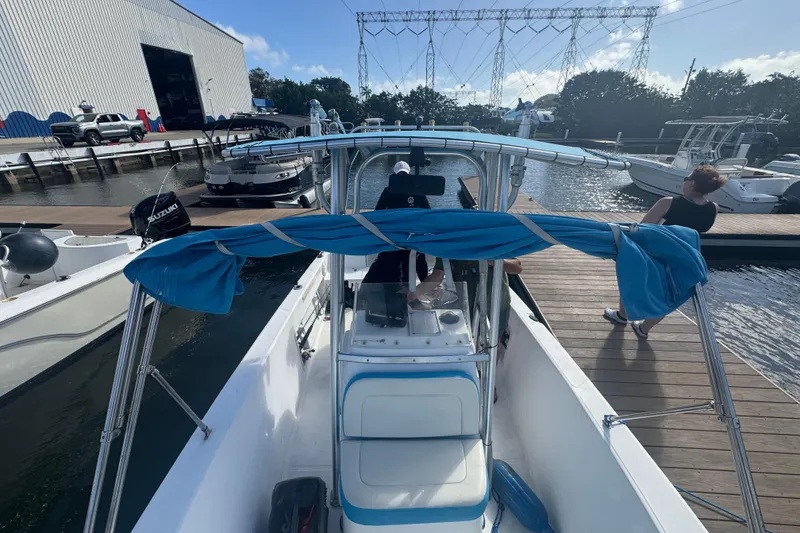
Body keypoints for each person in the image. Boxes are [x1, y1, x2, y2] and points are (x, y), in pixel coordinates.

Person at [603, 165, 727, 338]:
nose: (683, 182)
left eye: (686, 179)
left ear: (692, 183)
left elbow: (643, 228)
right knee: (669, 294)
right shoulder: (713, 207)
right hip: (688, 256)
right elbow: (702, 229)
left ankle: (622, 316)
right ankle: (644, 329)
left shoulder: (669, 202)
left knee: (631, 277)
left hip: (660, 253)